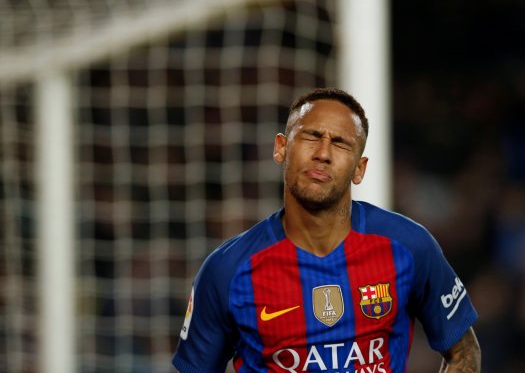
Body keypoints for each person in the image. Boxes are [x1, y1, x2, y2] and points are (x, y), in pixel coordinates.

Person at [172, 87, 481, 373]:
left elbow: (463, 349)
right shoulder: (227, 270)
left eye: (340, 142)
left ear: (359, 169)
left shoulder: (408, 246)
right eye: (311, 136)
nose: (323, 152)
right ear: (281, 148)